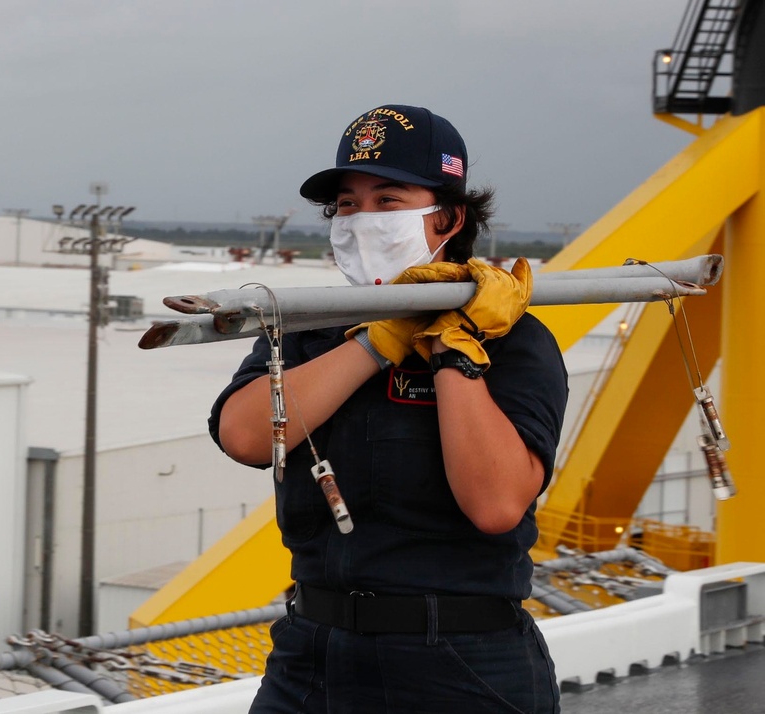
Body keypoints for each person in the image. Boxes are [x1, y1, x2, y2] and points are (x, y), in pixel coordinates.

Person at [208, 104, 568, 713]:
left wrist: (453, 350)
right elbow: (245, 435)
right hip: (311, 652)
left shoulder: (513, 339)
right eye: (347, 205)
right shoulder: (309, 327)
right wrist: (379, 341)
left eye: (387, 201)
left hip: (460, 658)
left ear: (447, 218)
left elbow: (497, 503)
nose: (360, 220)